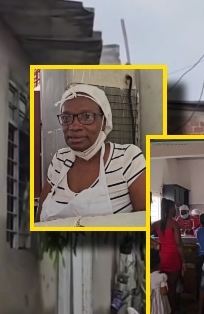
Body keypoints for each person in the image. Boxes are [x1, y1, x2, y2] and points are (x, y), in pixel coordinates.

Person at [37, 83, 146, 222]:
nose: (74, 126)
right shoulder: (59, 160)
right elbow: (39, 223)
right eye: (66, 118)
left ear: (104, 121)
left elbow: (143, 225)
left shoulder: (128, 158)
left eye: (87, 117)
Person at [150, 198, 186, 314]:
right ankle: (173, 312)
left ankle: (161, 311)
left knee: (162, 286)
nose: (176, 210)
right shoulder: (174, 224)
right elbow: (179, 244)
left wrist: (155, 243)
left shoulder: (156, 224)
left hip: (162, 259)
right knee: (172, 287)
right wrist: (184, 261)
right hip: (174, 259)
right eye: (174, 208)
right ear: (170, 209)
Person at [150, 248, 171, 314]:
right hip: (159, 303)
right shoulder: (161, 277)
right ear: (158, 264)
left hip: (150, 303)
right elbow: (164, 292)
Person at [195, 213, 204, 301]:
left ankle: (199, 296)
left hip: (200, 255)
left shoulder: (198, 231)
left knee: (200, 277)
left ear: (200, 221)